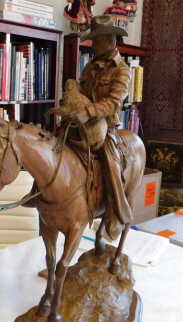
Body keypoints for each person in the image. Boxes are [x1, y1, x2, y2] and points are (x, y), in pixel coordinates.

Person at [72, 15, 132, 239]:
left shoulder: (122, 70)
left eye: (96, 40)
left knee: (110, 163)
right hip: (82, 120)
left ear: (109, 40)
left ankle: (116, 211)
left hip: (106, 126)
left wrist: (88, 111)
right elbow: (82, 91)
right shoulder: (91, 65)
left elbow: (114, 103)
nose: (93, 45)